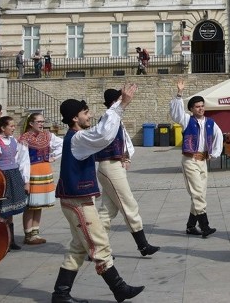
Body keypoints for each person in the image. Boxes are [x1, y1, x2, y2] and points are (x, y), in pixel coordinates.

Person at [51, 85, 144, 303]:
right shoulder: (77, 138)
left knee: (78, 247)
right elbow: (103, 135)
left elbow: (103, 134)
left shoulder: (78, 136)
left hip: (78, 200)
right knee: (99, 244)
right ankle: (118, 288)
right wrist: (121, 105)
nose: (90, 115)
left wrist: (119, 107)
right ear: (75, 118)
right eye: (85, 112)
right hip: (77, 202)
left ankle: (60, 293)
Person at [96, 88, 160, 256]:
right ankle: (143, 245)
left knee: (108, 210)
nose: (124, 101)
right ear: (114, 102)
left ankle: (96, 247)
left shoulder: (115, 117)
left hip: (113, 165)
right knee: (129, 205)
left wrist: (126, 157)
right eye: (120, 99)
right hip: (110, 166)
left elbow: (124, 141)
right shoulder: (109, 116)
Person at [169, 79, 223, 237]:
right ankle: (205, 226)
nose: (201, 109)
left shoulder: (210, 123)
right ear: (192, 109)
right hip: (190, 160)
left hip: (203, 161)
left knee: (200, 194)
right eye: (197, 107)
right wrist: (179, 94)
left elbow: (218, 136)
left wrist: (214, 153)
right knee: (197, 193)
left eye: (202, 106)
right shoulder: (187, 120)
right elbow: (176, 114)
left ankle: (191, 226)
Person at [0, 115, 30, 251]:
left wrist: (25, 180)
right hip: (2, 177)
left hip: (14, 176)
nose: (13, 127)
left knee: (10, 211)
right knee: (2, 210)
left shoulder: (14, 141)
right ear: (3, 128)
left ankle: (11, 240)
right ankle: (2, 240)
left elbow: (19, 159)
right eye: (11, 126)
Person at [18, 112, 62, 245]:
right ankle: (28, 234)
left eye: (43, 121)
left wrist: (53, 156)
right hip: (32, 172)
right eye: (39, 122)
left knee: (39, 204)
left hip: (45, 170)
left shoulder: (48, 136)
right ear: (31, 123)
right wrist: (25, 180)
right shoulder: (24, 139)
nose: (42, 124)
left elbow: (62, 144)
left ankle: (35, 233)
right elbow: (22, 160)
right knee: (30, 205)